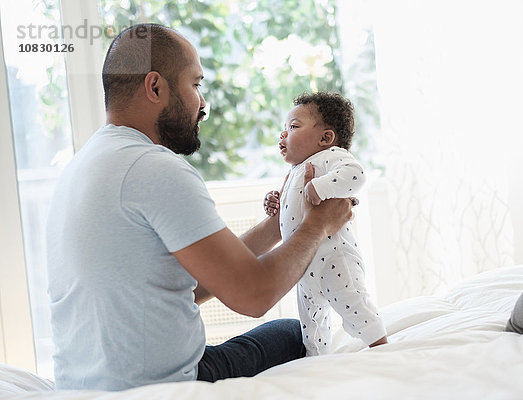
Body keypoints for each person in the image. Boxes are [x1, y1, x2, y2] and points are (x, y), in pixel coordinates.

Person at [45, 23, 356, 391]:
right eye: (195, 85)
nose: (203, 103)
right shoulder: (155, 168)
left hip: (85, 386)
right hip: (162, 385)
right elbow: (254, 295)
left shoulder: (85, 166)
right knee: (292, 331)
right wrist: (317, 224)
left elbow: (186, 283)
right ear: (155, 87)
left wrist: (277, 228)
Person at [263, 92, 387, 356]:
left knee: (355, 305)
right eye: (284, 129)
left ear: (325, 138)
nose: (283, 135)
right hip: (303, 265)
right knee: (312, 324)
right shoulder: (295, 170)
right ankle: (317, 363)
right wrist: (275, 200)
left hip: (335, 258)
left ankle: (382, 350)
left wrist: (321, 187)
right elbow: (290, 206)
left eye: (293, 127)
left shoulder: (331, 157)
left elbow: (357, 175)